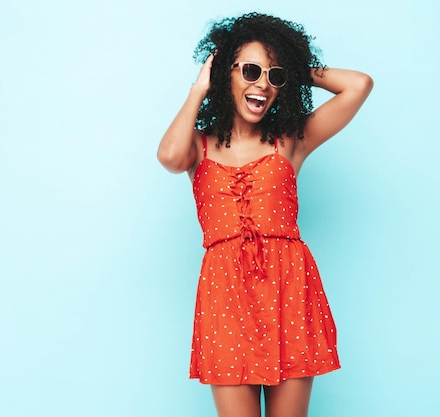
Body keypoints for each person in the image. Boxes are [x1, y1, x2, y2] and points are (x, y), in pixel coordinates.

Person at [157, 12, 373, 417]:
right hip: (225, 297)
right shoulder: (197, 147)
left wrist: (295, 68)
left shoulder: (291, 140)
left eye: (275, 77)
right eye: (252, 71)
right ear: (226, 75)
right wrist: (198, 90)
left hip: (288, 290)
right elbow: (169, 157)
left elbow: (358, 85)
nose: (263, 85)